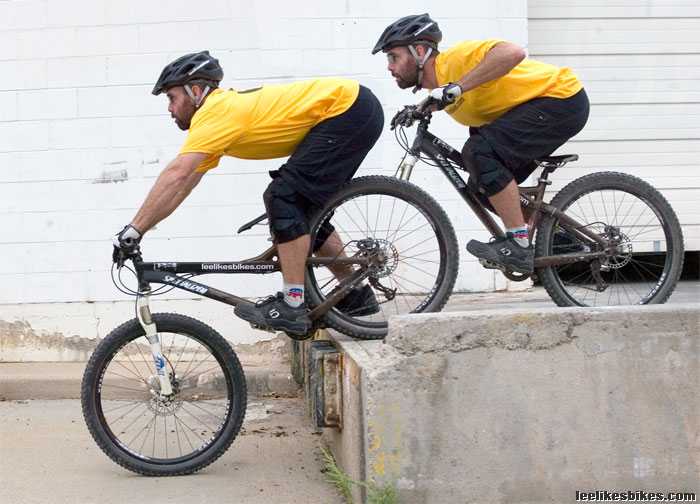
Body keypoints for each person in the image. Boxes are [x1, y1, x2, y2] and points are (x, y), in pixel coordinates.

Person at [112, 51, 383, 336]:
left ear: (194, 91)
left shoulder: (214, 111)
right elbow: (184, 184)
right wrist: (140, 229)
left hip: (348, 109)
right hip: (353, 109)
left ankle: (292, 304)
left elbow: (176, 173)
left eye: (171, 98)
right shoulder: (217, 118)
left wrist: (133, 229)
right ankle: (356, 294)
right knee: (299, 209)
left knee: (283, 196)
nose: (169, 108)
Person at [373, 14, 590, 274]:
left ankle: (518, 243)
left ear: (419, 52)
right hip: (538, 109)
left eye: (393, 57)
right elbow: (442, 97)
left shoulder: (455, 60)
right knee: (480, 184)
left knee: (479, 151)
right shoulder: (443, 91)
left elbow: (513, 52)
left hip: (561, 98)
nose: (389, 67)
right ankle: (554, 238)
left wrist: (458, 87)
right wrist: (419, 109)